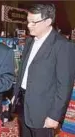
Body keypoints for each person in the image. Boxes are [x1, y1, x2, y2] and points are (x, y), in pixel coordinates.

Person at [13, 4, 75, 137]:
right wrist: (16, 94)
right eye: (28, 21)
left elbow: (64, 86)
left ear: (48, 21)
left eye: (34, 22)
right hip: (23, 103)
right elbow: (23, 71)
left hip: (44, 111)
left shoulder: (63, 46)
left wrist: (54, 116)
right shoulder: (29, 41)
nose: (29, 25)